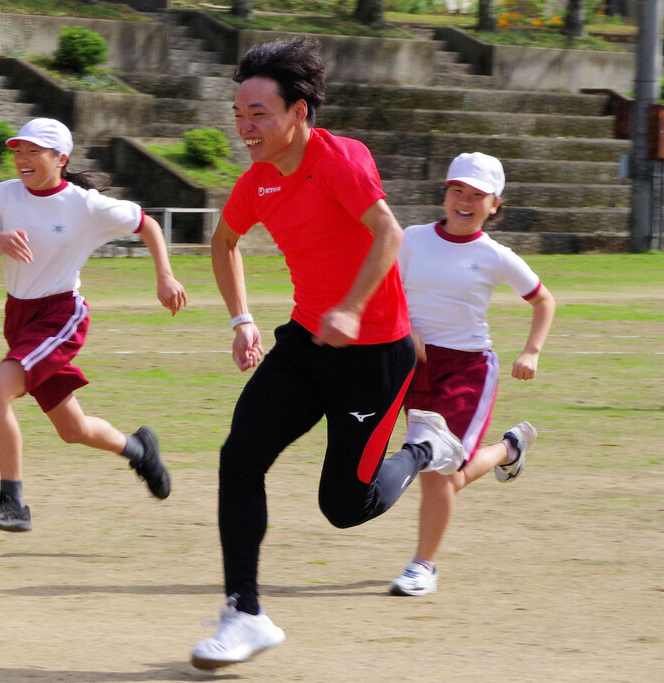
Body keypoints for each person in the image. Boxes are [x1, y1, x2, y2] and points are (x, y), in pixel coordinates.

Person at [189, 38, 466, 670]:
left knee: (344, 507)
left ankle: (428, 448)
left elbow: (388, 234)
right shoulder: (257, 183)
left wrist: (352, 307)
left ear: (298, 113)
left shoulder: (341, 160)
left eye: (259, 113)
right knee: (240, 455)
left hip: (375, 355)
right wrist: (242, 318)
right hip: (306, 342)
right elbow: (224, 242)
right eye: (238, 113)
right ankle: (244, 613)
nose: (245, 127)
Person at [0, 117, 187, 532]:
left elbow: (147, 224)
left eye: (34, 151)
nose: (22, 159)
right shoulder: (1, 195)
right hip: (19, 317)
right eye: (18, 151)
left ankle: (12, 502)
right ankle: (139, 450)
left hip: (61, 316)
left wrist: (165, 276)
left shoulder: (85, 204)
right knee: (73, 429)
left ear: (60, 158)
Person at [388, 152, 556, 596]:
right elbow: (387, 288)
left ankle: (423, 566)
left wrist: (532, 352)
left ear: (495, 204)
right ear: (444, 193)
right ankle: (508, 449)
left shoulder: (496, 256)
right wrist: (405, 331)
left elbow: (544, 301)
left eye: (477, 195)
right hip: (416, 365)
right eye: (456, 190)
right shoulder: (411, 239)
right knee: (442, 475)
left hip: (467, 371)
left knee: (436, 472)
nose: (464, 201)